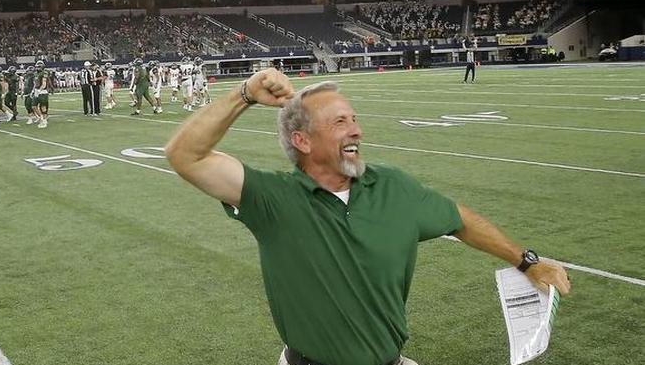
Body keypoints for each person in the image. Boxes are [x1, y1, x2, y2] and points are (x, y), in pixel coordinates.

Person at [165, 70, 571, 365]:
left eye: (354, 119)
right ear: (302, 141)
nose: (356, 130)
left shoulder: (392, 186)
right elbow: (185, 156)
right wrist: (244, 94)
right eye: (339, 122)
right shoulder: (273, 199)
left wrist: (527, 261)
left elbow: (459, 219)